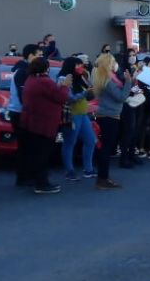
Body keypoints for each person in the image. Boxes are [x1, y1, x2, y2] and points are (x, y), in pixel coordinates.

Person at [21, 58, 71, 194]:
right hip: (45, 123)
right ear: (45, 68)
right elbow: (61, 97)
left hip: (32, 122)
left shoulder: (30, 80)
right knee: (43, 154)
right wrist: (65, 86)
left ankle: (36, 180)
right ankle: (42, 184)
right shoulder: (45, 81)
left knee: (36, 153)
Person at [92, 53, 132, 190]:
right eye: (113, 61)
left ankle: (103, 177)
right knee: (106, 149)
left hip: (108, 115)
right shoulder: (107, 81)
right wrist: (128, 81)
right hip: (109, 116)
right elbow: (121, 97)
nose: (115, 64)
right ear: (107, 64)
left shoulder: (107, 78)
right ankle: (102, 179)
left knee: (106, 148)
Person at [57, 57, 96, 180]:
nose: (81, 68)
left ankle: (88, 169)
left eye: (82, 65)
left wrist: (89, 89)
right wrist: (85, 93)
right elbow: (70, 98)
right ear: (71, 66)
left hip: (83, 114)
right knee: (70, 142)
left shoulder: (81, 78)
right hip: (71, 114)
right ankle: (70, 171)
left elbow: (88, 95)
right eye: (78, 65)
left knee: (90, 140)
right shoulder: (63, 79)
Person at [9, 44, 41, 187]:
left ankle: (27, 175)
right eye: (39, 55)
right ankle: (23, 177)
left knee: (29, 146)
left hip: (25, 112)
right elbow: (24, 96)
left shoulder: (27, 71)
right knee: (24, 146)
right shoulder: (22, 72)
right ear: (30, 56)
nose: (41, 58)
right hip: (20, 113)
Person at [116, 49, 143, 166]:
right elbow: (125, 84)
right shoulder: (122, 69)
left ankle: (132, 155)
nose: (132, 57)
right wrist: (133, 76)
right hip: (127, 103)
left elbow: (136, 84)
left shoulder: (135, 67)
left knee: (136, 130)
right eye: (130, 56)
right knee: (128, 131)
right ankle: (124, 158)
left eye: (134, 55)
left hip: (137, 101)